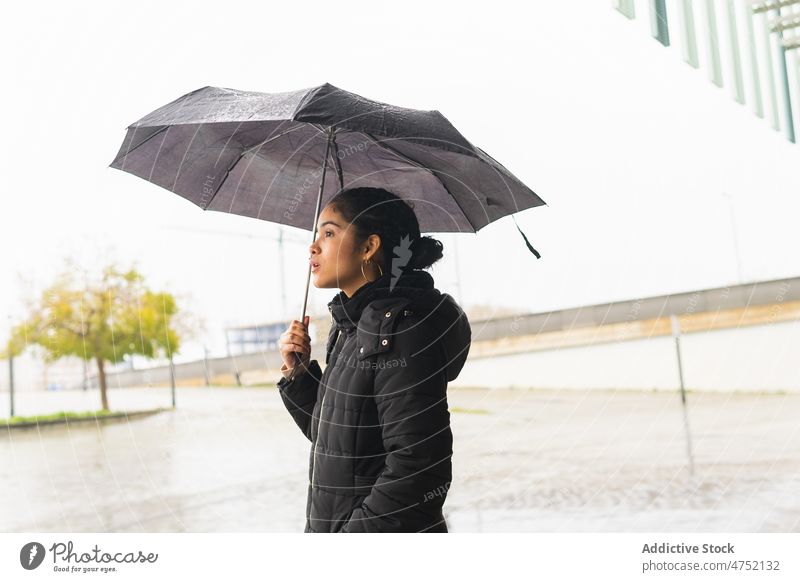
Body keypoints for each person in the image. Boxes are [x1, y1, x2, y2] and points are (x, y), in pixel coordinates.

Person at [277, 186, 471, 533]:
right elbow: (340, 444)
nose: (313, 246)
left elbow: (420, 468)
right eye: (316, 233)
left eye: (329, 233)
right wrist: (300, 372)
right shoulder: (351, 330)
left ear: (369, 247)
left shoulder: (399, 332)